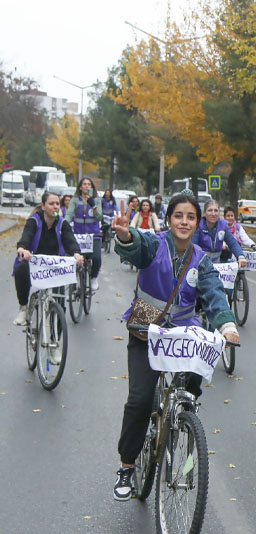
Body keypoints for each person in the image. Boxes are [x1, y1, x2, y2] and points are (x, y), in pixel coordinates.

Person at [111, 193, 240, 501]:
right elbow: (136, 246)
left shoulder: (201, 259)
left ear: (197, 223)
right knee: (140, 401)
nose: (184, 221)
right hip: (147, 333)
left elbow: (214, 293)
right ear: (169, 219)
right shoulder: (155, 244)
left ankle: (184, 412)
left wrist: (227, 325)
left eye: (190, 217)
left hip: (182, 334)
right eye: (178, 216)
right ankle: (127, 467)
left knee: (199, 366)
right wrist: (125, 235)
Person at [12, 192, 84, 325]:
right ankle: (23, 308)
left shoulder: (62, 223)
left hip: (55, 265)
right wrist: (22, 248)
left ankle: (54, 341)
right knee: (21, 269)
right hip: (35, 262)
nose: (55, 206)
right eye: (51, 204)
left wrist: (76, 253)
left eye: (57, 204)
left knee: (60, 305)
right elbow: (26, 236)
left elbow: (70, 240)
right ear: (43, 206)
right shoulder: (34, 220)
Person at [65, 177, 103, 291]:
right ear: (80, 187)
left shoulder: (96, 199)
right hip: (79, 235)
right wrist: (64, 224)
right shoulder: (75, 200)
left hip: (93, 235)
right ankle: (74, 282)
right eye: (84, 184)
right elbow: (69, 215)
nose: (87, 186)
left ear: (92, 187)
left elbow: (99, 217)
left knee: (96, 258)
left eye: (89, 184)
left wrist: (93, 206)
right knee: (74, 259)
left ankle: (94, 278)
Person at [192, 199, 246, 269]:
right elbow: (193, 246)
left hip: (217, 264)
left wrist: (240, 256)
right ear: (204, 213)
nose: (213, 213)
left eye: (216, 210)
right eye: (210, 210)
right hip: (200, 264)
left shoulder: (223, 226)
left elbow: (232, 242)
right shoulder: (198, 226)